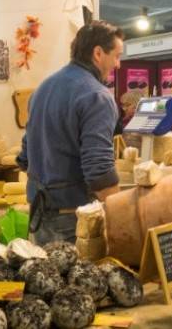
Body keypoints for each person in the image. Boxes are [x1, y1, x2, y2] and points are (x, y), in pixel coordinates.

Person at [17, 20, 124, 245]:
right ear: (98, 53)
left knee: (44, 279)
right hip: (72, 221)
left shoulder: (42, 88)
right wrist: (124, 219)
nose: (118, 64)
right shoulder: (97, 96)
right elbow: (99, 170)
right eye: (116, 55)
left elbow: (25, 156)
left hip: (38, 214)